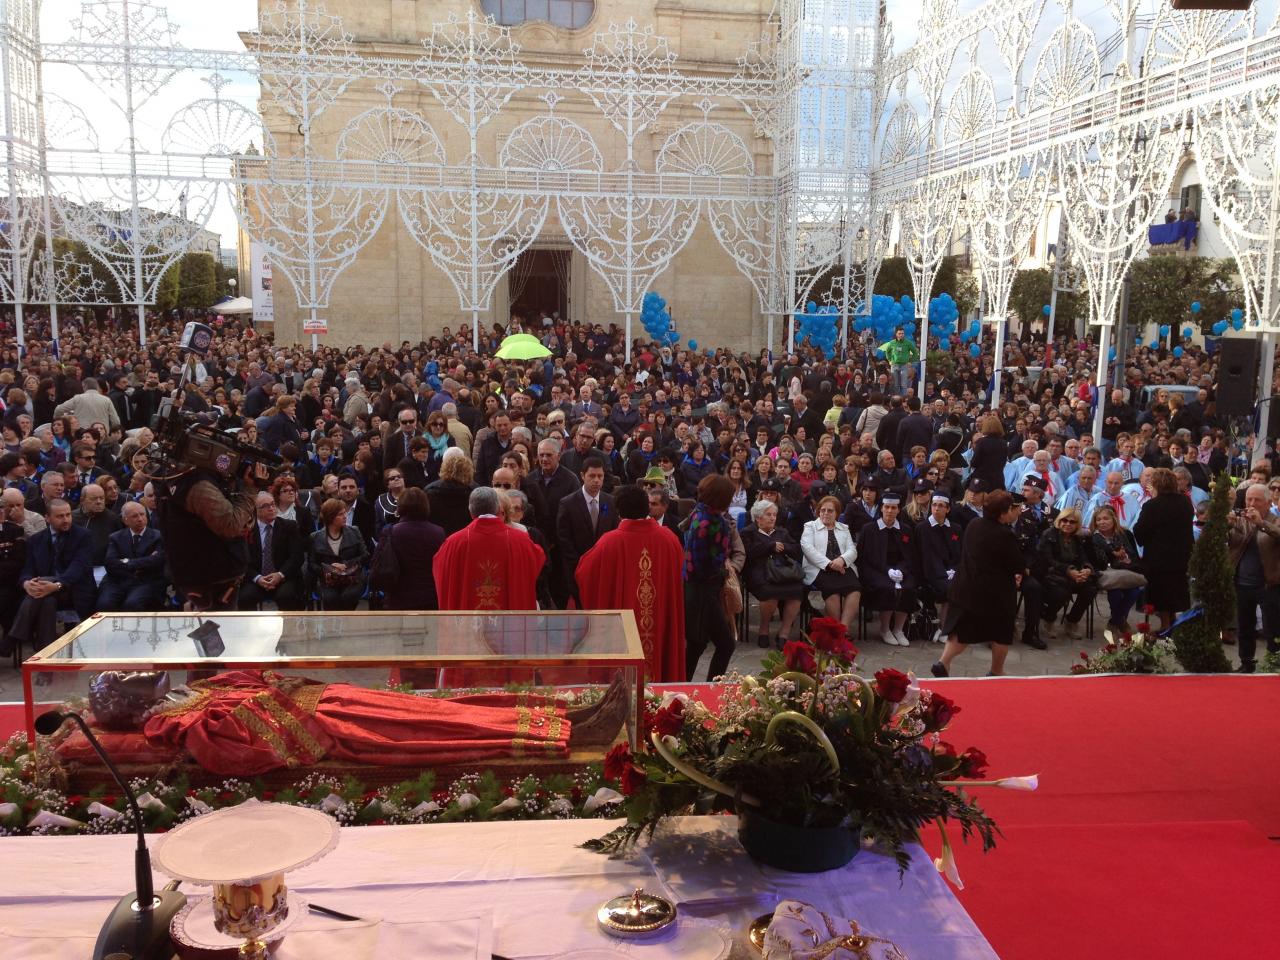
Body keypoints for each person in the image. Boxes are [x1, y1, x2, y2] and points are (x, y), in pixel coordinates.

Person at [575, 484, 686, 682]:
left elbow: (584, 574)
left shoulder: (609, 542)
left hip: (622, 631)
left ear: (619, 512)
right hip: (659, 623)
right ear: (647, 508)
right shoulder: (670, 539)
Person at [932, 490, 1024, 678]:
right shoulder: (1005, 535)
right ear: (1003, 512)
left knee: (962, 629)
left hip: (965, 587)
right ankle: (996, 670)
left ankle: (943, 662)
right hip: (994, 594)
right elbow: (1016, 563)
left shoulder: (974, 524)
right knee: (1001, 632)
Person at [4, 499, 95, 657]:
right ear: (47, 518)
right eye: (60, 516)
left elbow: (78, 568)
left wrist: (56, 585)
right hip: (45, 594)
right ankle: (47, 663)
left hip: (73, 591)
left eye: (68, 515)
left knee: (45, 586)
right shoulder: (36, 540)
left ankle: (12, 638)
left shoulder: (83, 536)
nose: (66, 519)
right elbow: (27, 569)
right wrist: (26, 583)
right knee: (47, 601)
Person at [433, 486, 544, 611]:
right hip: (508, 625)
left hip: (468, 626)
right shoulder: (521, 540)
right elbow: (537, 558)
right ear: (498, 509)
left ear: (471, 512)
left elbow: (440, 567)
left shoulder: (453, 543)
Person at [681, 474, 737, 681]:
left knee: (697, 643)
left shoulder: (697, 513)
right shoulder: (714, 522)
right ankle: (711, 687)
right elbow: (708, 563)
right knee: (725, 643)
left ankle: (682, 685)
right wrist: (724, 572)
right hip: (704, 590)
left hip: (691, 588)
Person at [1226, 482, 1280, 673]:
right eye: (1249, 498)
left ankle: (1275, 663)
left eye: (1257, 499)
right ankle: (1246, 662)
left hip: (1268, 583)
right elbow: (1232, 543)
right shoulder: (1241, 520)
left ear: (1267, 502)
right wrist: (1228, 526)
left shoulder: (1275, 520)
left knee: (1272, 628)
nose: (1252, 503)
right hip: (1242, 582)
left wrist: (1261, 524)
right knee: (1245, 626)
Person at [1133, 467, 1194, 632]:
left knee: (1162, 592)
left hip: (1159, 557)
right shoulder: (1185, 502)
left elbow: (1140, 530)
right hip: (1181, 555)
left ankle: (1166, 626)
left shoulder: (1152, 505)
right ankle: (1173, 622)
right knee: (1175, 589)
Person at [856, 489, 917, 646]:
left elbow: (909, 556)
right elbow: (864, 557)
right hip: (876, 570)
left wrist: (901, 571)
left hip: (900, 569)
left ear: (898, 510)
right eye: (886, 507)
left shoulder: (906, 530)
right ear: (881, 508)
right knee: (887, 587)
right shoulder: (869, 529)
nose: (890, 511)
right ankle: (885, 629)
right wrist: (887, 570)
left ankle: (898, 629)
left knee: (908, 587)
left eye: (894, 508)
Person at [555, 456, 618, 606]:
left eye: (600, 476)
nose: (596, 480)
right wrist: (579, 562)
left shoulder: (610, 501)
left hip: (603, 566)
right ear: (583, 476)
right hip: (577, 566)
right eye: (592, 476)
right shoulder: (568, 503)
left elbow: (613, 530)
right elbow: (564, 537)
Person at [374, 487, 447, 611]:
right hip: (431, 596)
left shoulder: (391, 532)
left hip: (399, 596)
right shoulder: (439, 532)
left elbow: (377, 563)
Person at [801, 494, 861, 633]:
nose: (826, 513)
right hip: (819, 568)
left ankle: (842, 630)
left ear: (837, 513)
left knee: (855, 590)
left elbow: (852, 549)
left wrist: (841, 560)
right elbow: (807, 549)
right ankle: (837, 630)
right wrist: (830, 564)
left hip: (843, 566)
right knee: (832, 591)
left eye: (830, 510)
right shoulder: (810, 526)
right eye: (823, 510)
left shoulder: (843, 528)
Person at [1037, 507, 1100, 639]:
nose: (1068, 524)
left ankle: (1071, 621)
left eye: (1072, 522)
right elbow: (1048, 560)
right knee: (1061, 592)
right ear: (1059, 521)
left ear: (1077, 524)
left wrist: (1086, 569)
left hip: (1071, 574)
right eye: (1064, 520)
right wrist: (1068, 571)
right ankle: (1049, 619)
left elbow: (1083, 558)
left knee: (1090, 589)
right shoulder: (1049, 534)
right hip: (1050, 573)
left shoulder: (1078, 538)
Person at [238, 491, 305, 611]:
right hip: (256, 578)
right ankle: (251, 629)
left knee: (287, 596)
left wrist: (280, 575)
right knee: (245, 597)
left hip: (284, 577)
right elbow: (242, 560)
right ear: (255, 511)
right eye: (266, 506)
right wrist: (257, 578)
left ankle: (287, 629)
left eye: (273, 504)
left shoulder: (289, 526)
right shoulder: (247, 530)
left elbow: (297, 557)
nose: (272, 508)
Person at [97, 501, 166, 612]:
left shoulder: (158, 537)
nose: (140, 519)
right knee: (104, 604)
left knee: (132, 604)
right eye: (135, 516)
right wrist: (142, 562)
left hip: (146, 581)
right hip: (118, 581)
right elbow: (110, 563)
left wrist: (126, 562)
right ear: (125, 520)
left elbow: (156, 561)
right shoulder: (116, 538)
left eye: (142, 514)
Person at [914, 492, 963, 643]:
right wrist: (942, 573)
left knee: (959, 586)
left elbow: (958, 554)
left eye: (941, 506)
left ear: (948, 509)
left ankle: (945, 627)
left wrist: (953, 570)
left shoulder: (955, 529)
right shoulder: (922, 528)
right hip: (929, 573)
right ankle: (939, 627)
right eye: (934, 505)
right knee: (949, 588)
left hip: (950, 572)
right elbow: (924, 557)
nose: (936, 509)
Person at [1090, 504, 1145, 636]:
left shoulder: (1125, 534)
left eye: (1105, 519)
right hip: (1106, 573)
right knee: (1115, 592)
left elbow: (1134, 557)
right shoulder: (1094, 538)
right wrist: (1112, 554)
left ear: (1113, 519)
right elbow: (1097, 562)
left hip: (1127, 570)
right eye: (1099, 519)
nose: (1102, 522)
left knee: (1134, 592)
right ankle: (1121, 621)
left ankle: (1115, 621)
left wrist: (1124, 557)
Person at [305, 497, 369, 611]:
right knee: (330, 598)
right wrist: (330, 569)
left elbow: (365, 556)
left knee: (348, 597)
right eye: (340, 514)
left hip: (352, 577)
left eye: (345, 513)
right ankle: (333, 626)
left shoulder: (354, 531)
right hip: (327, 579)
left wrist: (346, 564)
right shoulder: (315, 537)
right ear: (330, 517)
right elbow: (312, 564)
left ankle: (346, 626)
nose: (345, 516)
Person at [425, 447, 475, 536]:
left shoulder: (430, 491)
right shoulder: (475, 491)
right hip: (466, 538)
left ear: (443, 466)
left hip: (439, 538)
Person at [968, 415, 1008, 491]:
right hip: (997, 478)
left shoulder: (982, 442)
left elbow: (975, 462)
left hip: (982, 479)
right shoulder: (1003, 443)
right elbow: (1003, 462)